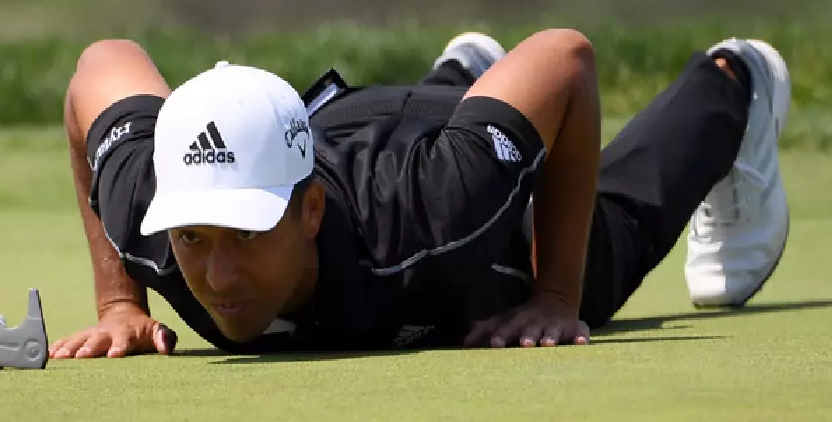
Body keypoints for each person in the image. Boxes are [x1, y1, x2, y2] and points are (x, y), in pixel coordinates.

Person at [48, 28, 790, 358]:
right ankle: (468, 75)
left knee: (604, 242)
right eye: (194, 237)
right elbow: (99, 65)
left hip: (424, 172)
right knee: (448, 143)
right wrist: (120, 305)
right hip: (342, 124)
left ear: (309, 212)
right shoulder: (149, 205)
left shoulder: (431, 214)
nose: (216, 275)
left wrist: (557, 294)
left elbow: (566, 57)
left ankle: (737, 81)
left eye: (245, 233)